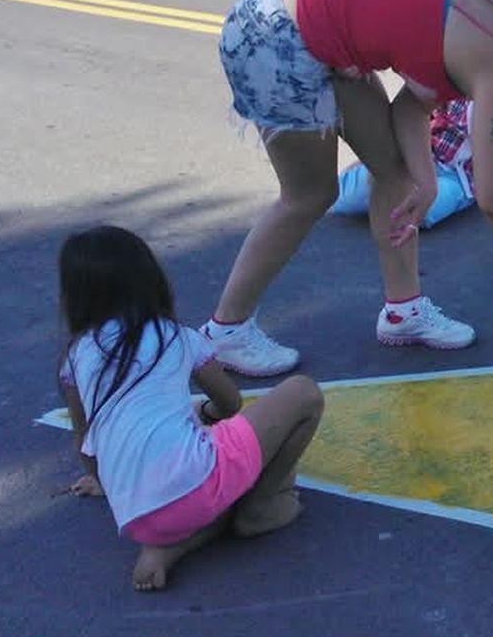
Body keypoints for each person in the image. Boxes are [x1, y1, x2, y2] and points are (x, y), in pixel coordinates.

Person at [204, 0, 493, 376]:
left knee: (398, 175)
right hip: (275, 33)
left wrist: (425, 178)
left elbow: (411, 107)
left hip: (312, 29)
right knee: (309, 194)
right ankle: (225, 332)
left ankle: (403, 312)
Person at [58, 225, 325, 592]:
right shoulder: (176, 336)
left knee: (188, 495)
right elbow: (230, 403)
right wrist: (210, 416)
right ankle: (263, 505)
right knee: (303, 393)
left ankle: (166, 550)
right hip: (196, 485)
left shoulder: (74, 358)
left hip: (135, 517)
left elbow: (84, 438)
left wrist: (106, 483)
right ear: (149, 279)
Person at [328, 99, 493, 229]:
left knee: (421, 215)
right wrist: (370, 160)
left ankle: (393, 197)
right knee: (341, 200)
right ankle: (380, 188)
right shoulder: (455, 73)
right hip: (419, 160)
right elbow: (414, 117)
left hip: (460, 180)